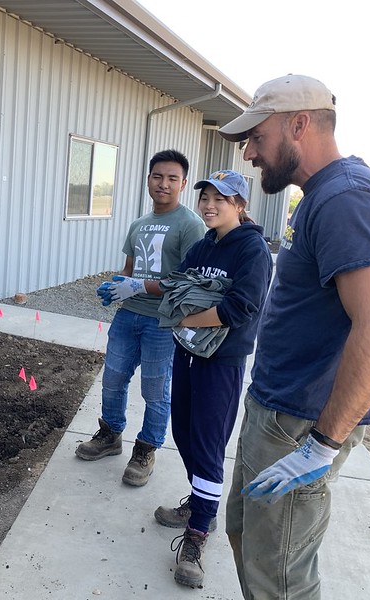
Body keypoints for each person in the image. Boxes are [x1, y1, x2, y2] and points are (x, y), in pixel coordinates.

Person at [217, 74, 370, 598]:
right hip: (279, 411)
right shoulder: (326, 195)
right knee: (250, 541)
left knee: (279, 578)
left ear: (299, 124)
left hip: (297, 425)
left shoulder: (345, 199)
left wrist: (321, 445)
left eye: (258, 136)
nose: (250, 153)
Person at [147, 170, 272, 588]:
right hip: (187, 352)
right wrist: (140, 287)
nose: (210, 204)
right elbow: (178, 283)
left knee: (208, 439)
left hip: (222, 359)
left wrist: (186, 317)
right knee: (182, 430)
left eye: (222, 198)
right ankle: (201, 501)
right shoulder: (203, 245)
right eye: (205, 196)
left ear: (240, 205)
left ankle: (198, 530)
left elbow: (242, 307)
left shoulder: (251, 249)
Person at [74, 150, 206, 487]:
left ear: (183, 183)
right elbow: (129, 272)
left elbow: (191, 285)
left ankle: (146, 449)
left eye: (172, 178)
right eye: (158, 177)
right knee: (113, 379)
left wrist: (140, 286)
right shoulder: (139, 224)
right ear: (148, 179)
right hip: (128, 317)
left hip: (163, 324)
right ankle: (110, 435)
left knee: (155, 390)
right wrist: (113, 288)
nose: (164, 184)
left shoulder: (191, 225)